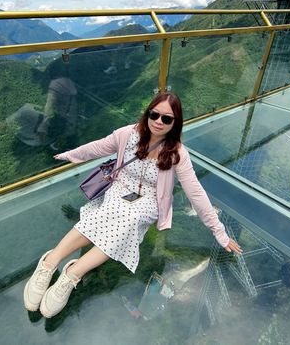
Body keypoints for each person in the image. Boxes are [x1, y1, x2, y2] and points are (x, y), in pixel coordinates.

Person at [23, 92, 242, 318]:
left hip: (149, 200)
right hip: (120, 186)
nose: (158, 121)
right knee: (104, 214)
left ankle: (72, 274)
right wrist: (70, 155)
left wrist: (220, 232)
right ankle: (49, 263)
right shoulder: (128, 134)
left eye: (166, 119)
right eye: (154, 115)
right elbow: (98, 147)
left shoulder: (177, 154)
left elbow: (195, 192)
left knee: (128, 220)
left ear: (175, 123)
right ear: (147, 113)